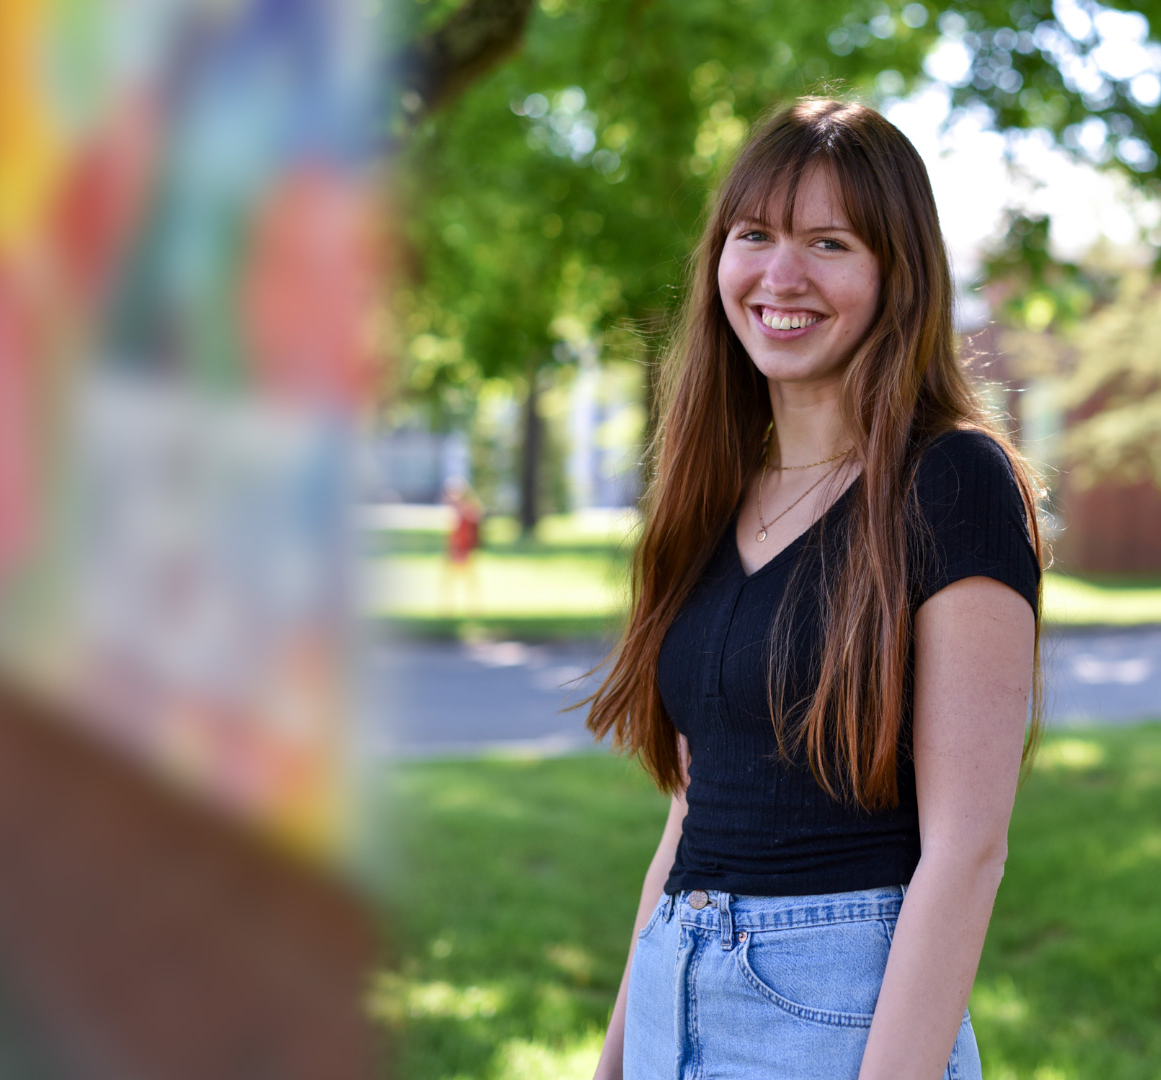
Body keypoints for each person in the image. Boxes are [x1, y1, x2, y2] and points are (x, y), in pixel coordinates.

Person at [584, 97, 1044, 1080]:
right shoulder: (714, 496)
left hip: (833, 1019)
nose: (780, 276)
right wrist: (616, 1059)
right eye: (755, 236)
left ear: (896, 275)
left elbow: (966, 850)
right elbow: (692, 811)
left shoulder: (953, 483)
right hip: (677, 982)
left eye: (828, 243)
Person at [440, 476, 484, 614]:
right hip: (453, 549)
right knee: (449, 579)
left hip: (465, 549)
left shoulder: (469, 509)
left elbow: (473, 531)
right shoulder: (451, 509)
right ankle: (447, 607)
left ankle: (473, 607)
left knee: (469, 579)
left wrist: (468, 548)